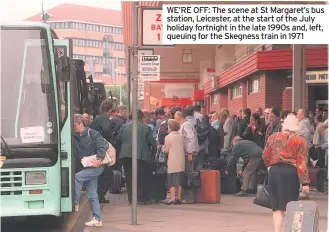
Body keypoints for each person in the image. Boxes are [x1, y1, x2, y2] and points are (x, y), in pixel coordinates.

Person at [263, 114, 310, 232]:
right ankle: (290, 229)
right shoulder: (300, 141)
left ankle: (277, 230)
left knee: (277, 207)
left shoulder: (273, 137)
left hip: (274, 172)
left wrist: (269, 166)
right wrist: (305, 183)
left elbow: (265, 155)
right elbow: (301, 162)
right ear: (297, 127)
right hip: (291, 173)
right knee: (291, 205)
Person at [74, 114, 108, 227]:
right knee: (92, 193)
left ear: (80, 124)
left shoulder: (92, 133)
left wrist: (99, 159)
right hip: (87, 166)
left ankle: (75, 202)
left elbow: (102, 146)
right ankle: (97, 219)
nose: (74, 128)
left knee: (77, 177)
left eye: (75, 126)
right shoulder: (74, 135)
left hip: (96, 166)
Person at [119, 109, 156, 204]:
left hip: (126, 155)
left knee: (129, 176)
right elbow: (152, 142)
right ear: (141, 117)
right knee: (140, 176)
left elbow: (119, 140)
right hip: (141, 155)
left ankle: (131, 197)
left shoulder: (124, 127)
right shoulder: (145, 128)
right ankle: (140, 197)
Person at [91, 99, 115, 203]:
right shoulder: (105, 119)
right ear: (109, 109)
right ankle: (100, 195)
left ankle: (97, 194)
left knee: (99, 172)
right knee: (108, 174)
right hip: (103, 149)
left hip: (95, 148)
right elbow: (105, 130)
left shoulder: (96, 118)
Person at [162, 119, 185, 205]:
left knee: (171, 181)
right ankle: (179, 198)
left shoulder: (168, 137)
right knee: (179, 180)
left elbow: (166, 150)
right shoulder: (181, 136)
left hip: (172, 160)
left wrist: (161, 148)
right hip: (181, 160)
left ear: (170, 127)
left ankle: (172, 198)